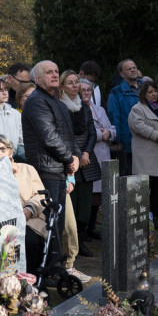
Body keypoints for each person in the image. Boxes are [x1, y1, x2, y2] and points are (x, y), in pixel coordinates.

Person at [20, 60, 86, 282]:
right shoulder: (37, 102)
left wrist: (75, 156)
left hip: (58, 168)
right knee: (47, 224)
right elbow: (49, 136)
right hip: (45, 169)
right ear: (37, 79)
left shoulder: (56, 101)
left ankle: (52, 270)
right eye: (49, 72)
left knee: (57, 224)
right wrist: (69, 158)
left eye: (57, 71)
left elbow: (69, 135)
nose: (54, 75)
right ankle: (42, 273)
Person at [0, 135, 48, 276]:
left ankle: (29, 279)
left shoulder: (27, 170)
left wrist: (29, 210)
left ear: (11, 152)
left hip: (29, 220)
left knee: (28, 241)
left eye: (3, 149)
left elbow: (40, 195)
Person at [58, 69, 100, 256]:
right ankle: (69, 244)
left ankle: (81, 240)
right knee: (71, 206)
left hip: (86, 160)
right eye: (70, 82)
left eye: (76, 82)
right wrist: (77, 155)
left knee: (85, 205)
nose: (75, 86)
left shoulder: (84, 106)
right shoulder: (59, 106)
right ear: (62, 86)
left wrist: (86, 153)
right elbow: (65, 136)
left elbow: (92, 132)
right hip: (68, 161)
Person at [128, 81, 158, 229]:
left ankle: (154, 216)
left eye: (155, 91)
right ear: (144, 93)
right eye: (150, 92)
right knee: (143, 189)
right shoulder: (137, 109)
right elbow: (138, 126)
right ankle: (141, 218)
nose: (154, 94)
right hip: (145, 156)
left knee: (157, 188)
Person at [81, 77, 114, 238]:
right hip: (90, 155)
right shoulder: (77, 109)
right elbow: (87, 132)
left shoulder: (99, 109)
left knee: (98, 196)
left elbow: (111, 128)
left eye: (89, 90)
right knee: (89, 195)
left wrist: (110, 133)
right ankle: (85, 227)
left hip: (103, 155)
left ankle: (92, 226)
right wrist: (102, 133)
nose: (86, 93)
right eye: (83, 90)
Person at [107, 58, 142, 175]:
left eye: (134, 68)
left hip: (148, 142)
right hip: (128, 142)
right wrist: (116, 140)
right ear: (122, 74)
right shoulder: (116, 92)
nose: (133, 70)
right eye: (129, 69)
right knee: (131, 177)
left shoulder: (146, 88)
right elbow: (114, 116)